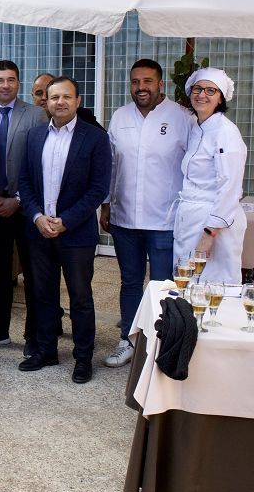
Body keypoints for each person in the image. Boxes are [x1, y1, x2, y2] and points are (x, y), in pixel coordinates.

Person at [18, 76, 111, 385]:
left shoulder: (95, 138)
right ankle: (46, 350)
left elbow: (98, 188)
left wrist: (66, 220)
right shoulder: (33, 137)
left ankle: (83, 357)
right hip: (39, 231)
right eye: (53, 97)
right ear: (46, 101)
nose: (59, 102)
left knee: (80, 298)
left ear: (77, 100)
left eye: (66, 97)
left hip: (76, 234)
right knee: (43, 295)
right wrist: (36, 217)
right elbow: (25, 183)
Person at [100, 59, 190, 368]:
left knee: (164, 285)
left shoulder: (181, 118)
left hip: (164, 219)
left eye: (148, 81)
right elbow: (111, 166)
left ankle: (162, 344)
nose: (142, 87)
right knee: (130, 282)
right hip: (125, 218)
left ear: (160, 83)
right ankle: (128, 339)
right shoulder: (121, 116)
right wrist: (106, 204)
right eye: (136, 81)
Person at [0, 60, 47, 355]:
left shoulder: (37, 115)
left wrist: (17, 198)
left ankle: (32, 335)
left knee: (31, 272)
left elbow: (41, 164)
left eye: (11, 80)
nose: (5, 85)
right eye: (0, 80)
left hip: (25, 207)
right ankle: (0, 330)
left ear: (18, 83)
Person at [173, 67, 247, 284]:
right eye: (198, 89)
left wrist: (209, 234)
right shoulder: (196, 126)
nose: (202, 95)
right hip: (191, 217)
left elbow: (229, 188)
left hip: (215, 224)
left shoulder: (226, 132)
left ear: (221, 98)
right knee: (188, 283)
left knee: (214, 286)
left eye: (210, 91)